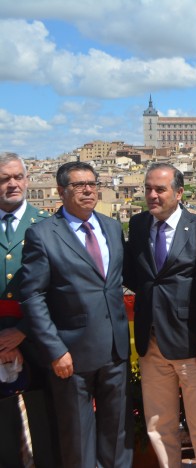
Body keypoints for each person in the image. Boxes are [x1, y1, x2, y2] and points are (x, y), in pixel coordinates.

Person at [19, 161, 132, 467]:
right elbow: (32, 296)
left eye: (92, 184)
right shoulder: (42, 234)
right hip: (71, 356)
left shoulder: (110, 227)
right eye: (78, 185)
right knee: (78, 441)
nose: (87, 190)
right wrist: (55, 350)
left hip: (115, 351)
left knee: (118, 438)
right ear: (61, 191)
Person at [124, 163, 196, 467]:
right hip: (151, 345)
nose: (152, 195)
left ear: (179, 193)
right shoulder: (139, 225)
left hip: (193, 347)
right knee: (158, 426)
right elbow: (134, 275)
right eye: (148, 189)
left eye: (160, 189)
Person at [0, 152, 55, 467]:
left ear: (27, 180)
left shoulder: (46, 226)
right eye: (4, 178)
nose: (12, 184)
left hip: (35, 336)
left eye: (17, 177)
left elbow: (57, 289)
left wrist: (21, 332)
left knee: (43, 421)